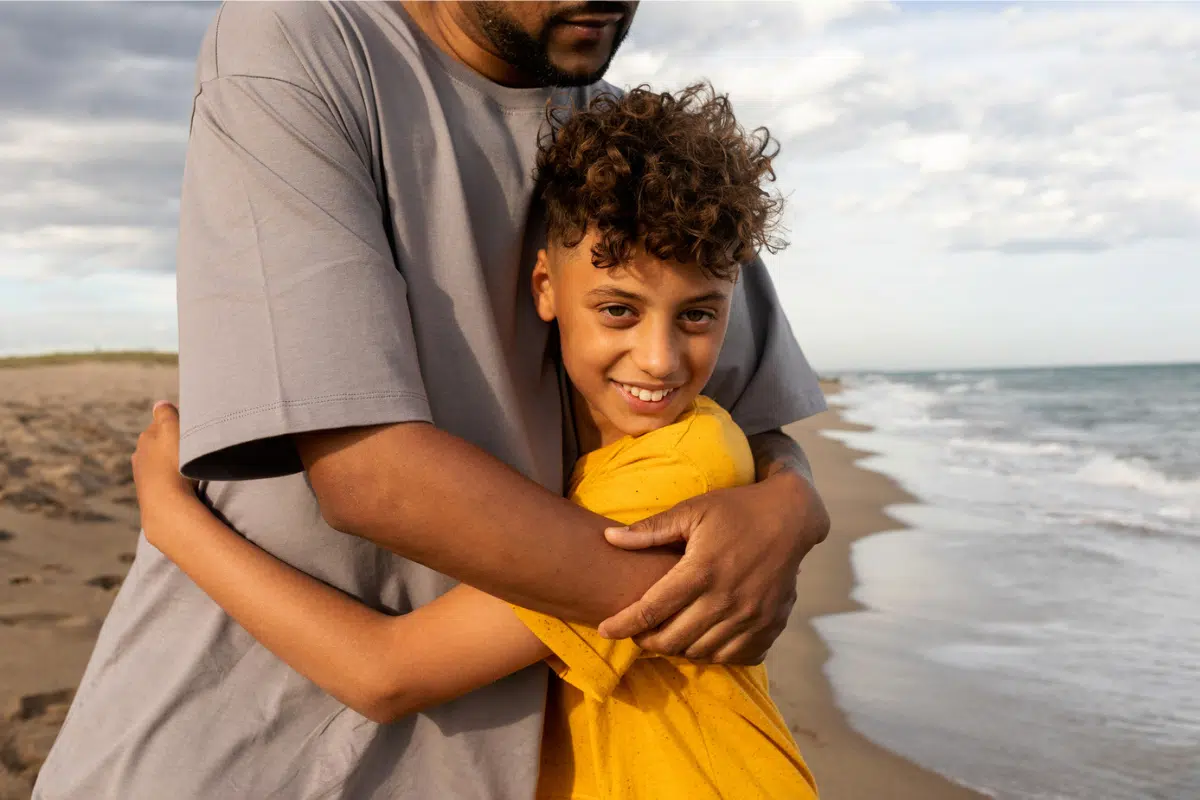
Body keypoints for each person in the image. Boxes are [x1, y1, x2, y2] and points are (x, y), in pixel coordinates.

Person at [35, 3, 828, 799]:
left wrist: (792, 504)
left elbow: (745, 423)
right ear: (545, 288)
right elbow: (371, 477)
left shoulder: (628, 146)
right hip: (236, 747)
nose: (657, 350)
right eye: (620, 309)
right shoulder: (304, 40)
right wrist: (728, 565)